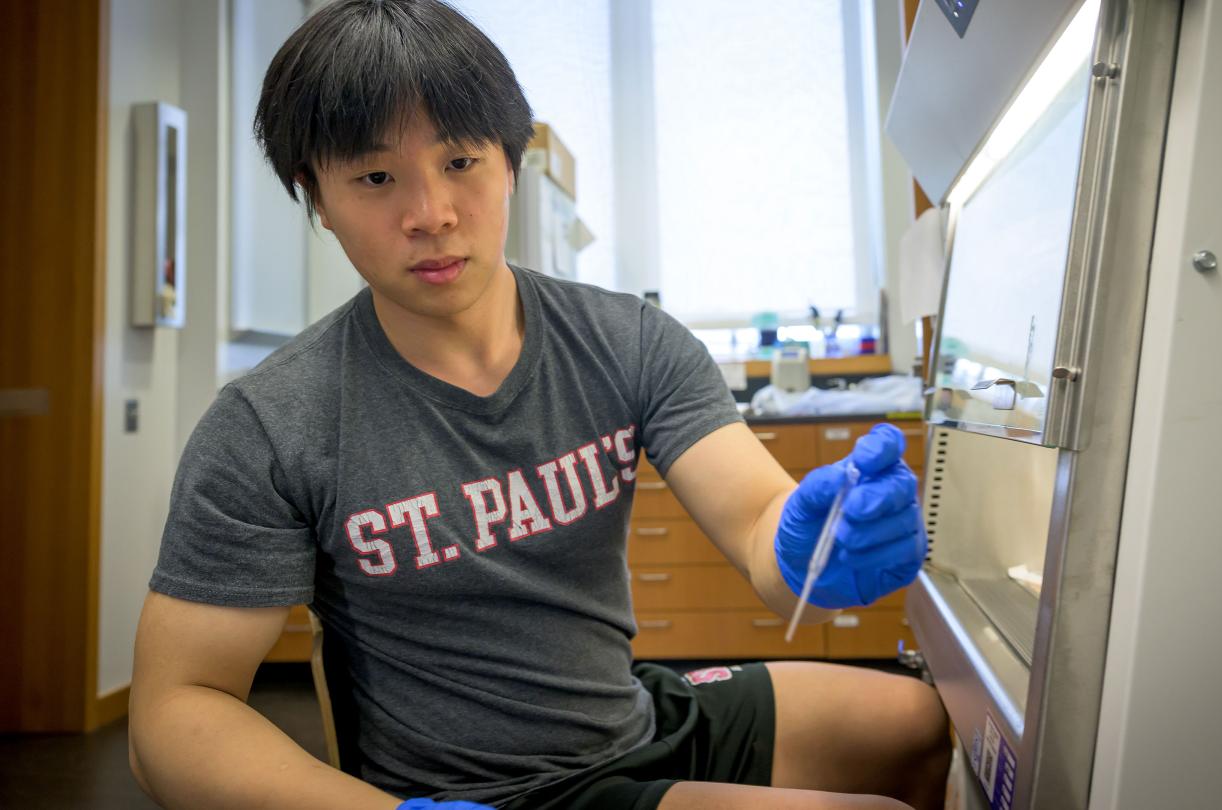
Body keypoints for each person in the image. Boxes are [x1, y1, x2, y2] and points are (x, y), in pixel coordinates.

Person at [127, 1, 951, 808]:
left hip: (621, 714)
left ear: (510, 161)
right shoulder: (273, 425)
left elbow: (758, 520)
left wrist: (810, 548)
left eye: (461, 162)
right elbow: (176, 711)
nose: (432, 215)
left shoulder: (625, 337)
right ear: (318, 194)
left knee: (914, 720)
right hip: (485, 792)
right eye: (377, 178)